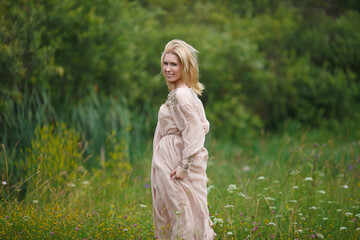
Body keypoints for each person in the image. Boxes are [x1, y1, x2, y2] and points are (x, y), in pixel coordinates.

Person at [151, 39, 216, 240]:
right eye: (166, 63)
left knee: (181, 212)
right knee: (183, 211)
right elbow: (202, 125)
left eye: (174, 64)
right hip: (172, 155)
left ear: (184, 66)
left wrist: (184, 165)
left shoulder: (181, 96)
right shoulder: (186, 93)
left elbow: (195, 130)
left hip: (174, 160)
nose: (168, 69)